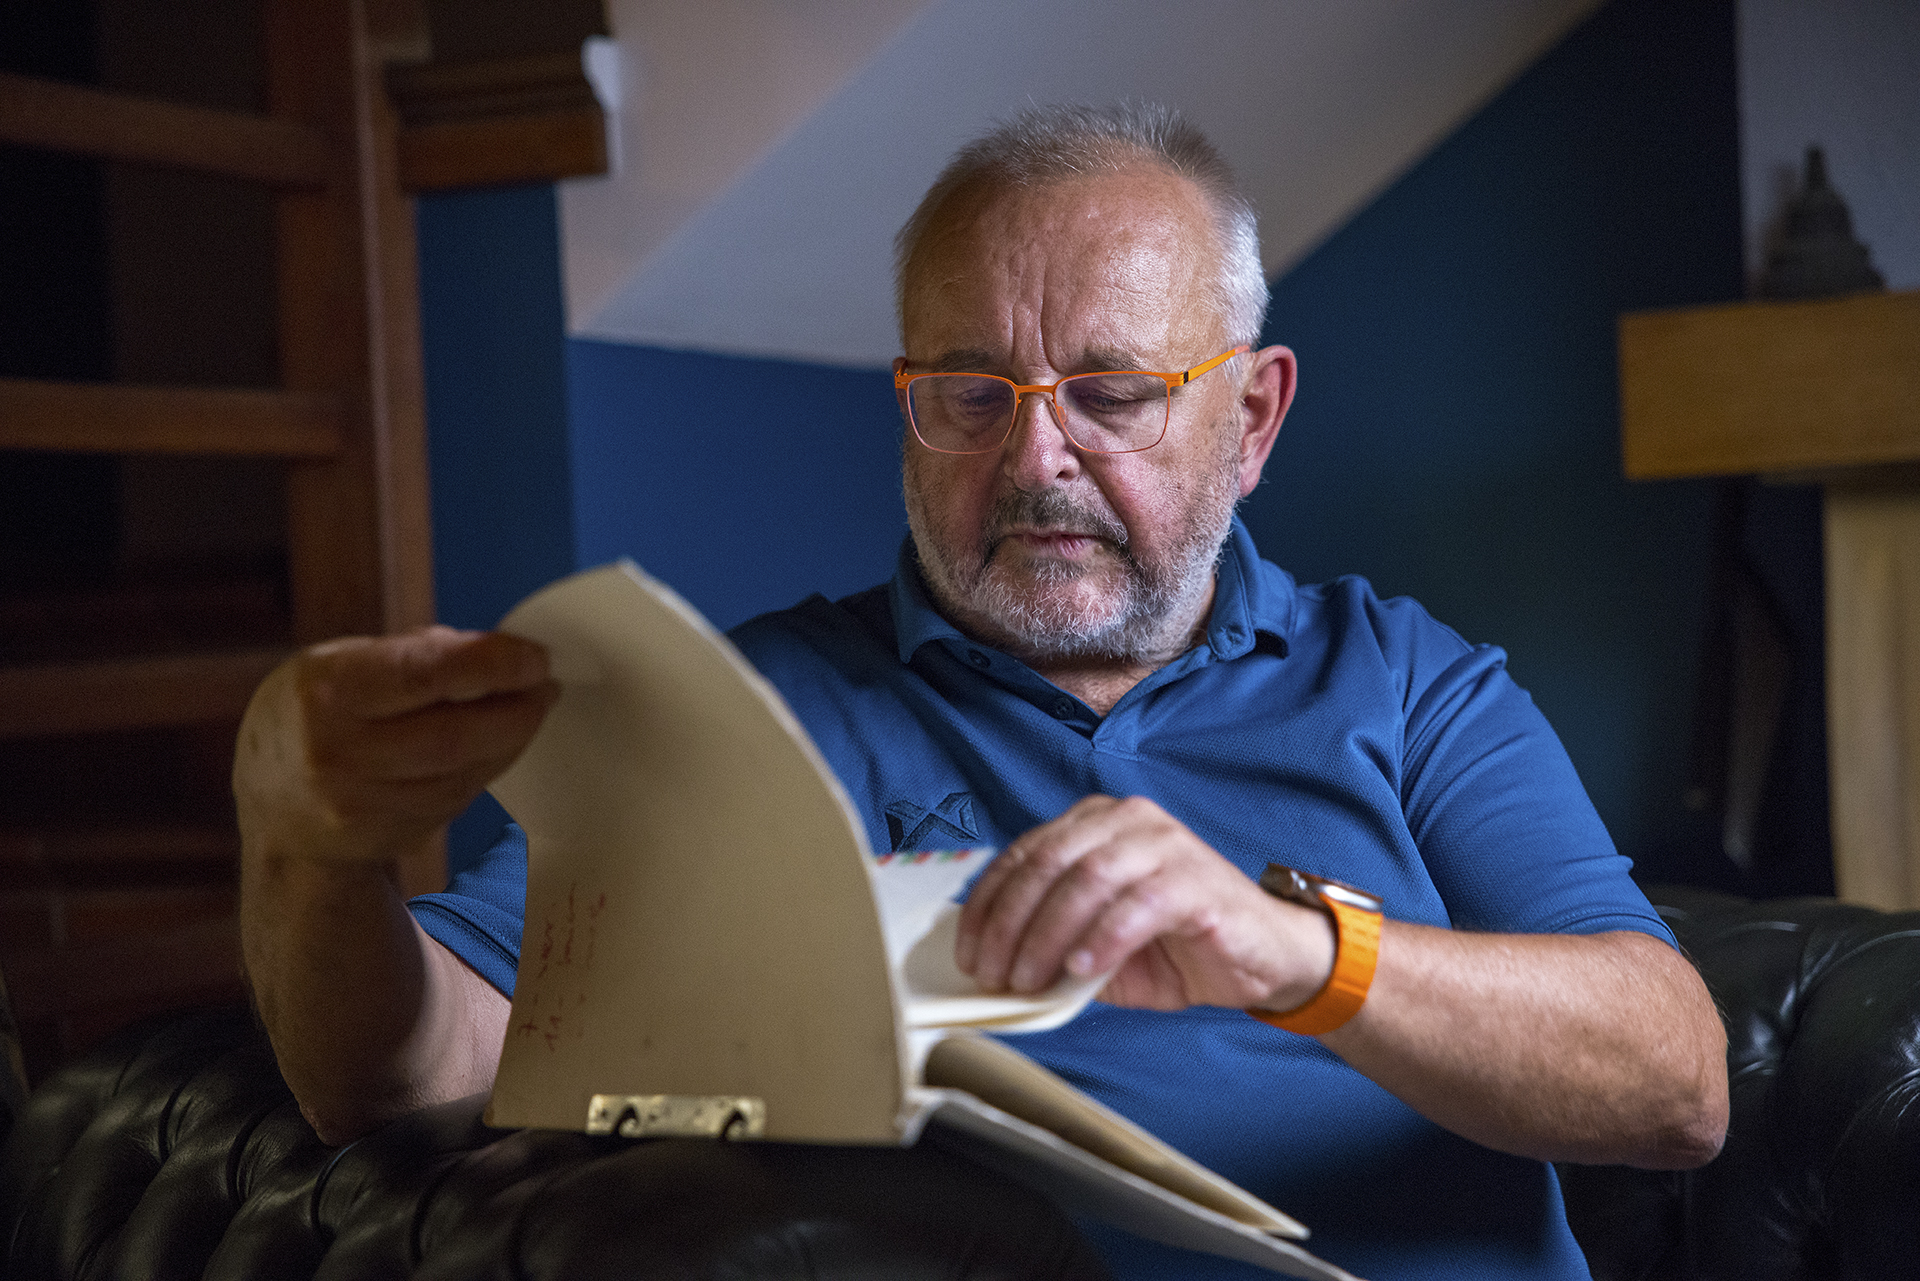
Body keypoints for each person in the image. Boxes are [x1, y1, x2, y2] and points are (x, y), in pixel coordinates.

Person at [235, 103, 1727, 1279]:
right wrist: (306, 845)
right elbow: (414, 1074)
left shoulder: (1405, 680)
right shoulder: (764, 708)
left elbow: (1677, 1086)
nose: (1035, 458)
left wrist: (1292, 954)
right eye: (968, 395)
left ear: (1253, 418)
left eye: (1113, 394)